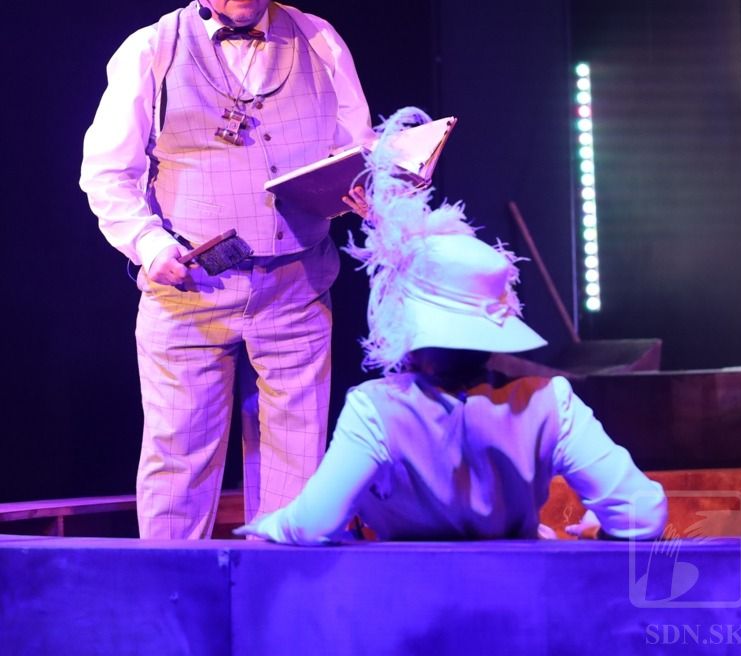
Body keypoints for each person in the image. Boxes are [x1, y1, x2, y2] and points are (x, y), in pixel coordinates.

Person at [80, 0, 372, 539]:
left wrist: (369, 188)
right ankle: (173, 600)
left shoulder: (318, 38)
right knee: (178, 464)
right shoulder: (151, 50)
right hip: (191, 289)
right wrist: (150, 246)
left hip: (297, 285)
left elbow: (357, 146)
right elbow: (106, 172)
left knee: (298, 470)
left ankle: (282, 598)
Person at [234, 111, 668, 544]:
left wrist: (264, 525)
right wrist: (600, 532)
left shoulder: (378, 410)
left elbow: (311, 525)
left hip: (409, 589)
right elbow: (643, 515)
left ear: (407, 329)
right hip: (518, 586)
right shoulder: (549, 403)